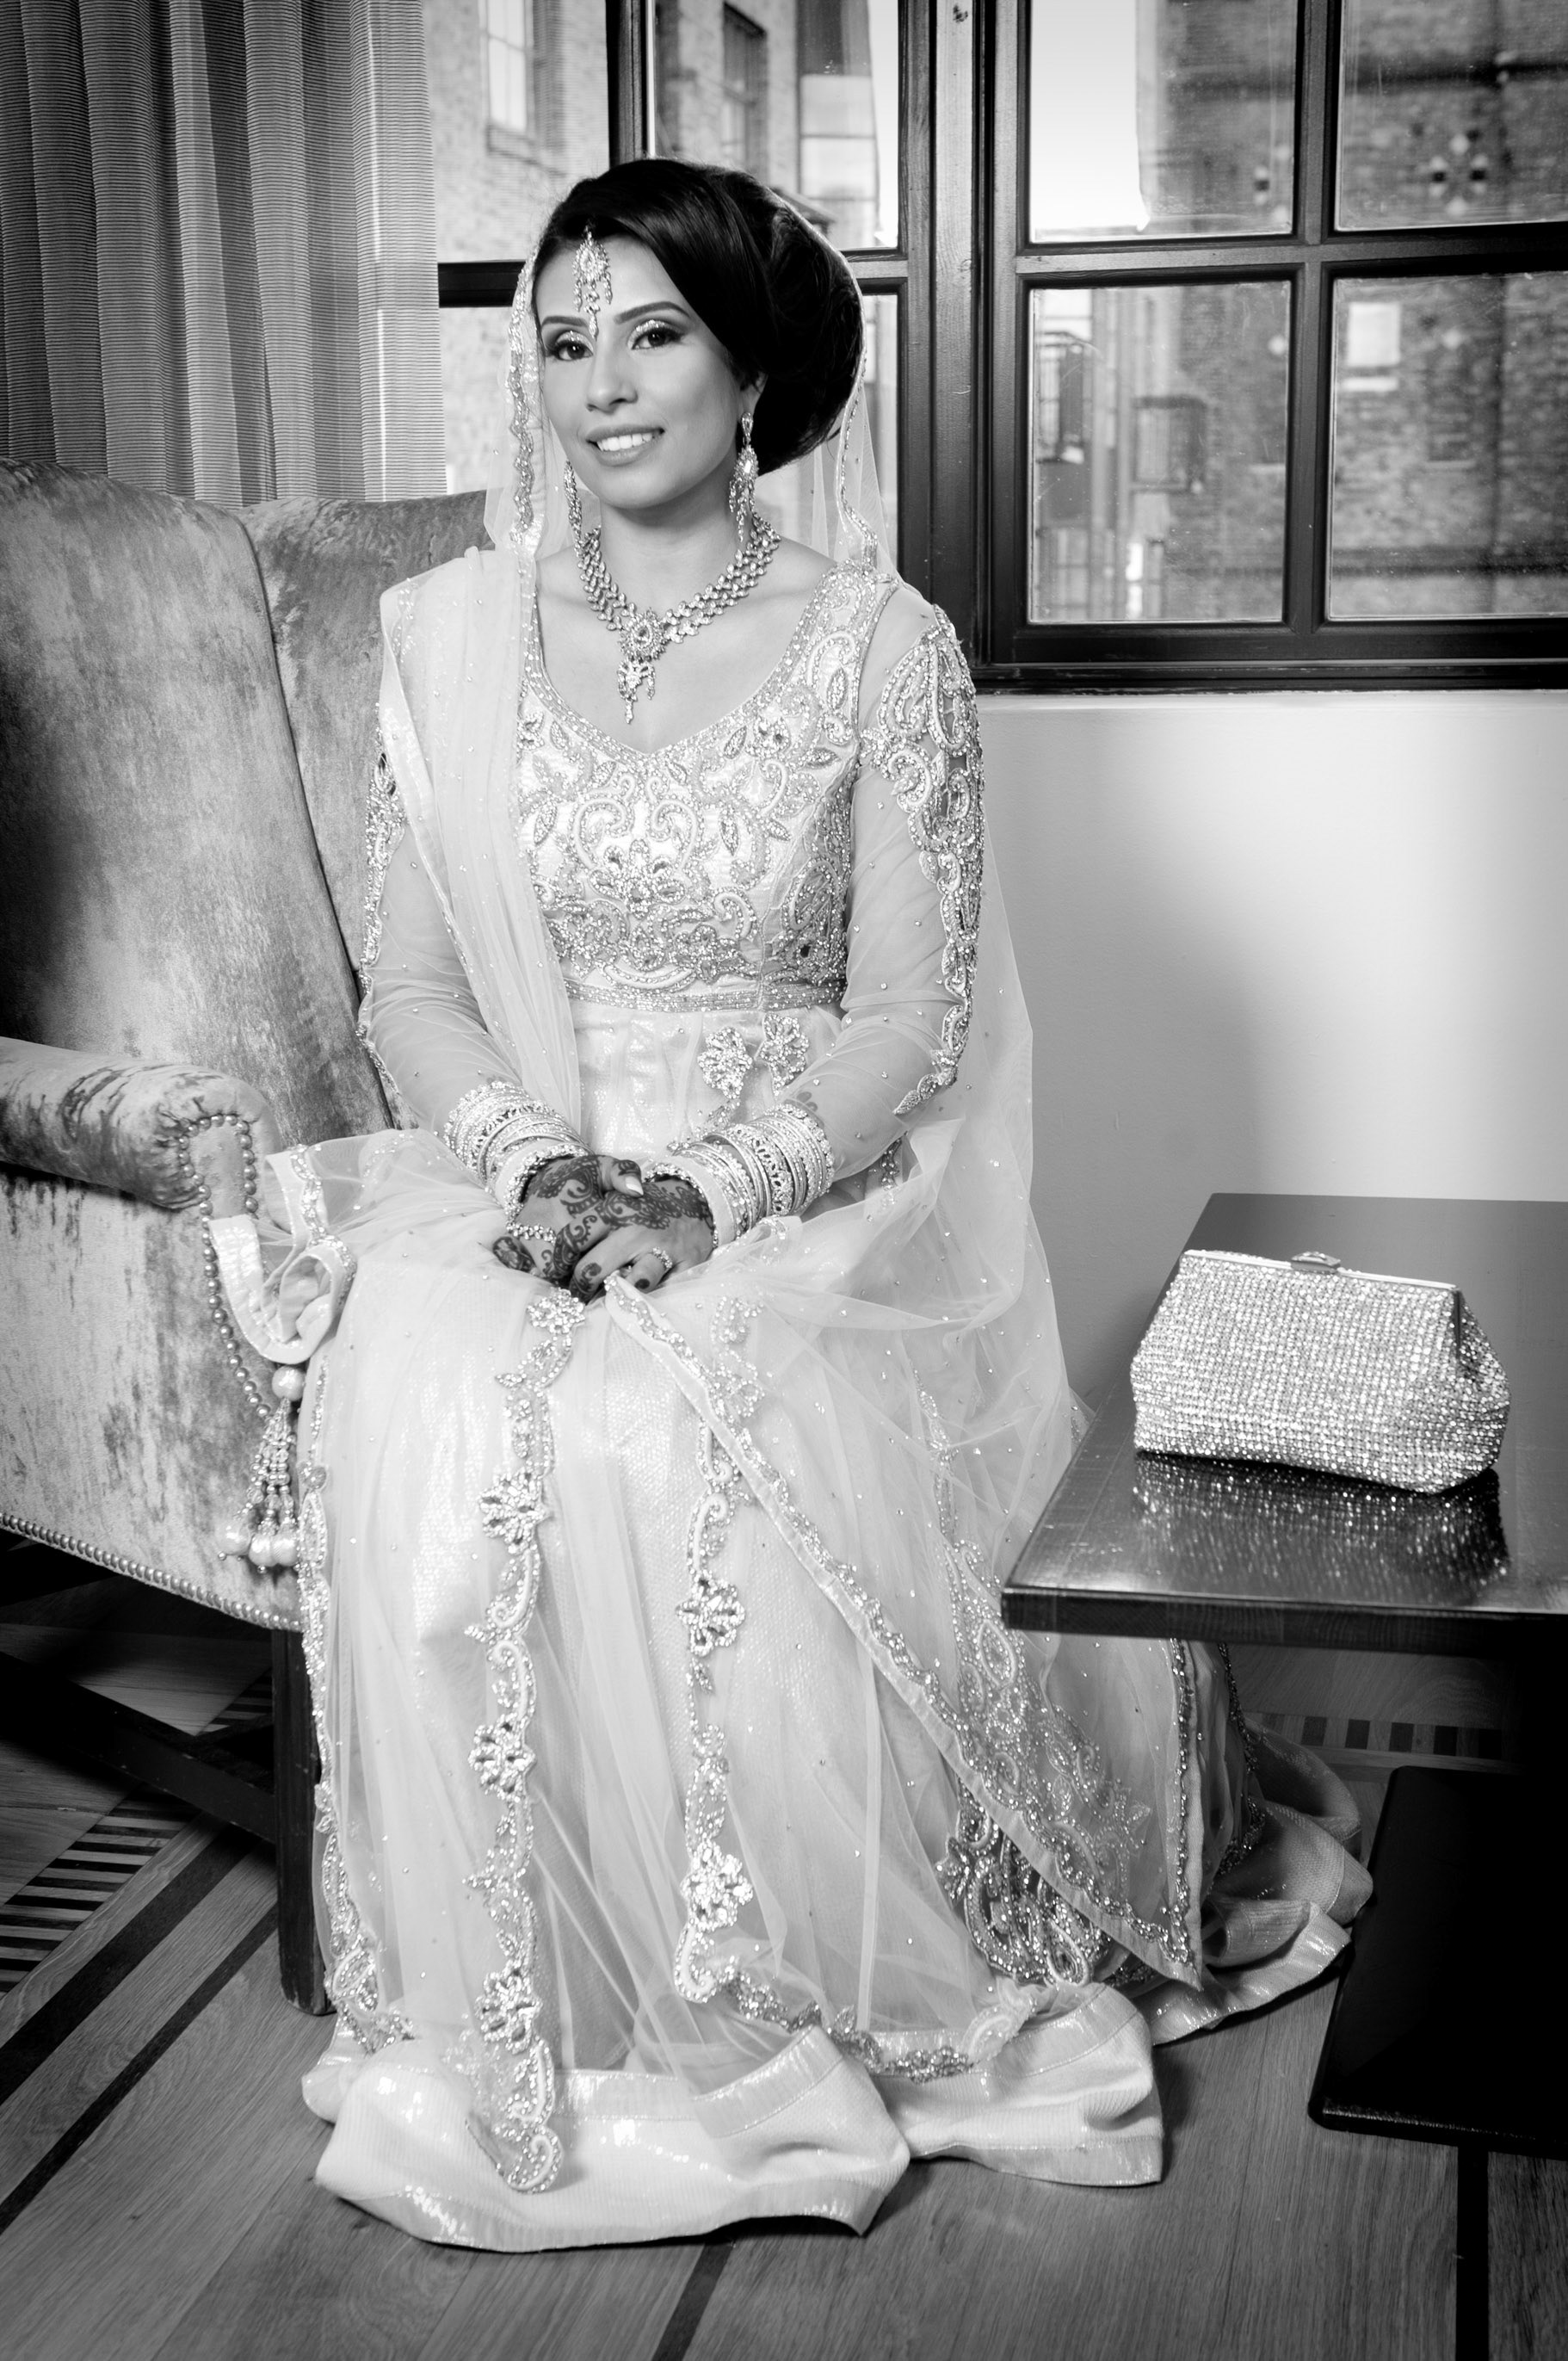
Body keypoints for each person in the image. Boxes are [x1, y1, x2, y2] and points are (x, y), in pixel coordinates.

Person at [231, 160, 1367, 2249]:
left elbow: (904, 1022)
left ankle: (790, 1985)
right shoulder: (446, 638)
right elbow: (409, 984)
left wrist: (706, 1193)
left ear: (751, 367)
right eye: (562, 341)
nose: (599, 382)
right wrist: (535, 1167)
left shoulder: (875, 646)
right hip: (520, 1173)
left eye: (651, 332)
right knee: (447, 1390)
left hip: (790, 1186)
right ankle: (544, 2001)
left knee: (688, 1416)